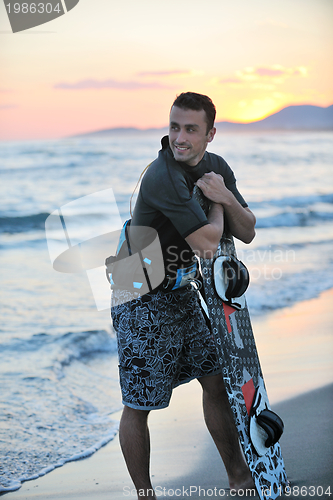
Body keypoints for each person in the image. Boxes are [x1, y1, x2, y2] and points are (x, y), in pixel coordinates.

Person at [111, 92, 256, 499]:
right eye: (174, 126)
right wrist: (217, 204)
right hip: (137, 292)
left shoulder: (215, 168)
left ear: (210, 133)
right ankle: (145, 495)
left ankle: (239, 477)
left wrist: (223, 195)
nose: (179, 137)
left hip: (179, 290)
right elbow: (209, 245)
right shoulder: (163, 176)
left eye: (191, 129)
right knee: (141, 401)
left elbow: (247, 230)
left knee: (215, 378)